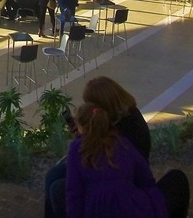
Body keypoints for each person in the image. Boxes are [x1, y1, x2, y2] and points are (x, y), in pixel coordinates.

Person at [45, 76, 157, 218]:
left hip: (115, 179)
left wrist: (83, 133)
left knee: (58, 189)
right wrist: (86, 127)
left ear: (103, 106)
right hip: (103, 165)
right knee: (53, 175)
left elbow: (101, 155)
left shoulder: (127, 134)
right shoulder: (123, 114)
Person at [66, 103, 190, 218]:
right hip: (132, 208)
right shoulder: (123, 143)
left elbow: (74, 193)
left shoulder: (77, 149)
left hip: (96, 210)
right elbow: (146, 179)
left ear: (80, 127)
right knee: (177, 178)